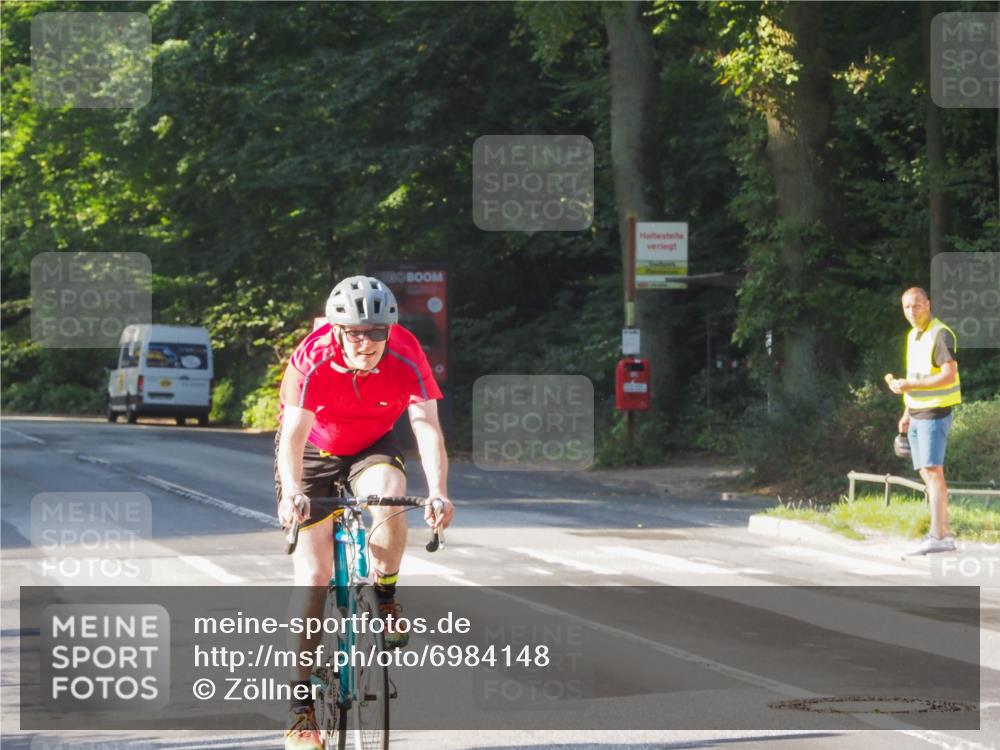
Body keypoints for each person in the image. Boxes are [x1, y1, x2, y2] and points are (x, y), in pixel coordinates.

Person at [274, 275, 454, 750]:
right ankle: (300, 713)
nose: (368, 342)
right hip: (313, 449)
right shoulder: (311, 358)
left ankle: (386, 594)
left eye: (377, 332)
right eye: (356, 332)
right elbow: (292, 435)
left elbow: (426, 425)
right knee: (312, 579)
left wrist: (438, 491)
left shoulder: (405, 352)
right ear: (337, 330)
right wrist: (292, 490)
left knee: (392, 496)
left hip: (372, 444)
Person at [886, 287, 960, 556]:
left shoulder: (939, 334)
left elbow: (949, 375)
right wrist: (906, 411)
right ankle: (943, 533)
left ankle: (938, 535)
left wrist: (912, 385)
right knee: (927, 473)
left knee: (933, 472)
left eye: (916, 306)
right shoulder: (913, 336)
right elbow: (914, 377)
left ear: (928, 304)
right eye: (906, 307)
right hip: (917, 412)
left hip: (935, 412)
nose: (911, 312)